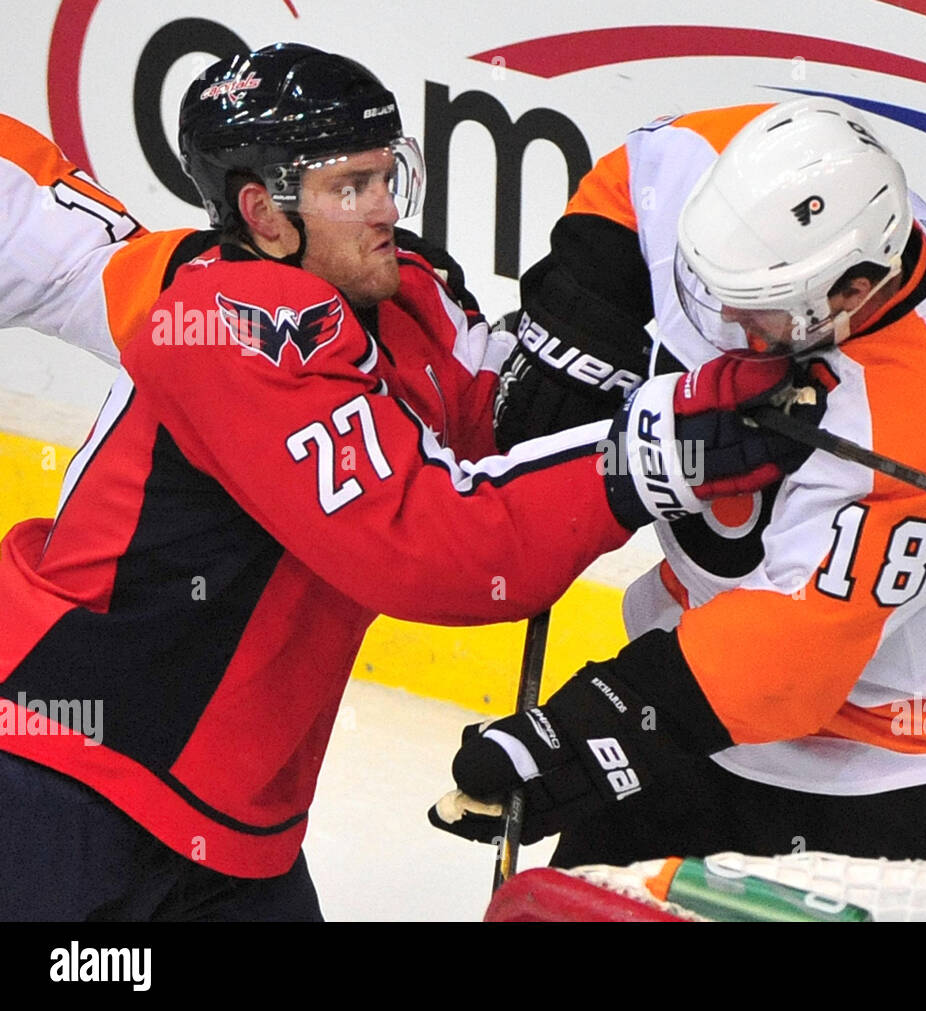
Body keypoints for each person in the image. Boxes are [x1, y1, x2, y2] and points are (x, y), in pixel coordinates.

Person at [0, 46, 805, 920]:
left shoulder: (404, 296)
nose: (386, 208)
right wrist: (657, 454)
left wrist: (659, 370)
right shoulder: (232, 328)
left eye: (390, 175)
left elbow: (502, 427)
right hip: (63, 782)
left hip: (233, 819)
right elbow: (434, 544)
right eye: (353, 187)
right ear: (264, 214)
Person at [429, 97, 926, 878]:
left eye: (758, 309)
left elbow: (786, 657)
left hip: (916, 772)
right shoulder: (764, 183)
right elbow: (644, 173)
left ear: (852, 290)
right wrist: (586, 311)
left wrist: (588, 727)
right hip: (704, 734)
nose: (726, 315)